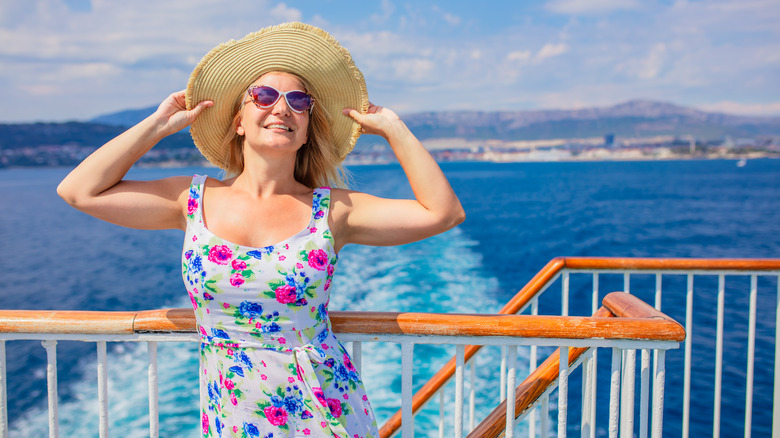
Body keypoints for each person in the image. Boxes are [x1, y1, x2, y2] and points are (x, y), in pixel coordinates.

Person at [57, 22, 464, 438]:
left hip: (325, 415)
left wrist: (394, 129)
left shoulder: (333, 210)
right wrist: (158, 125)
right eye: (264, 95)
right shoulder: (191, 199)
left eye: (299, 101)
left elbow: (443, 213)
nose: (282, 108)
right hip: (232, 417)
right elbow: (79, 191)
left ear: (306, 130)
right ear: (239, 121)